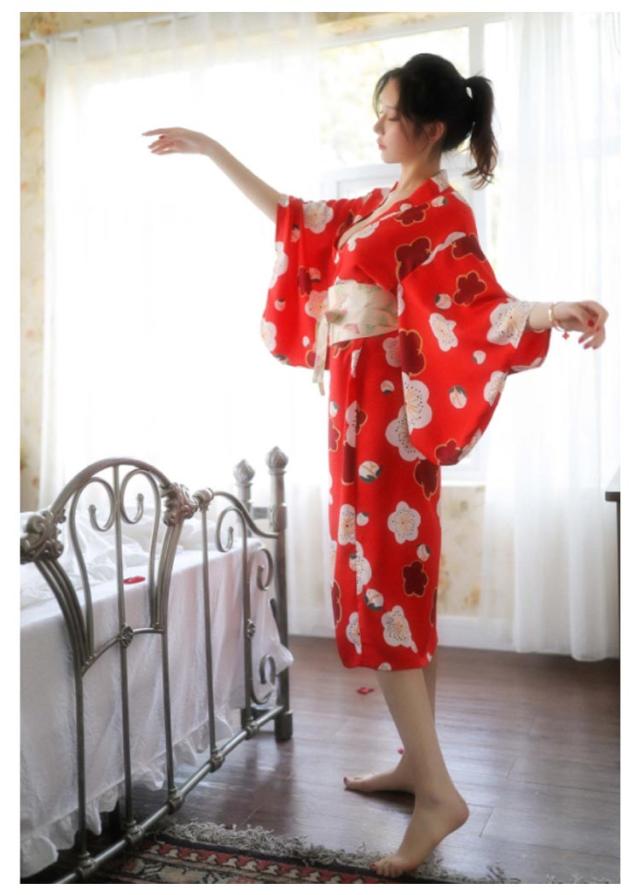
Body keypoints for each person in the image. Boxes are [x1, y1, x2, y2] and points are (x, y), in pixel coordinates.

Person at [142, 52, 608, 879]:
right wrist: (212, 150)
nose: (377, 126)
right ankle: (414, 763)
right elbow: (294, 216)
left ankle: (439, 795)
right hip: (358, 413)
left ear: (429, 129)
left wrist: (548, 310)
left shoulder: (439, 211)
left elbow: (475, 305)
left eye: (388, 114)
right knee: (399, 582)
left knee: (385, 585)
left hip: (388, 419)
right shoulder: (383, 204)